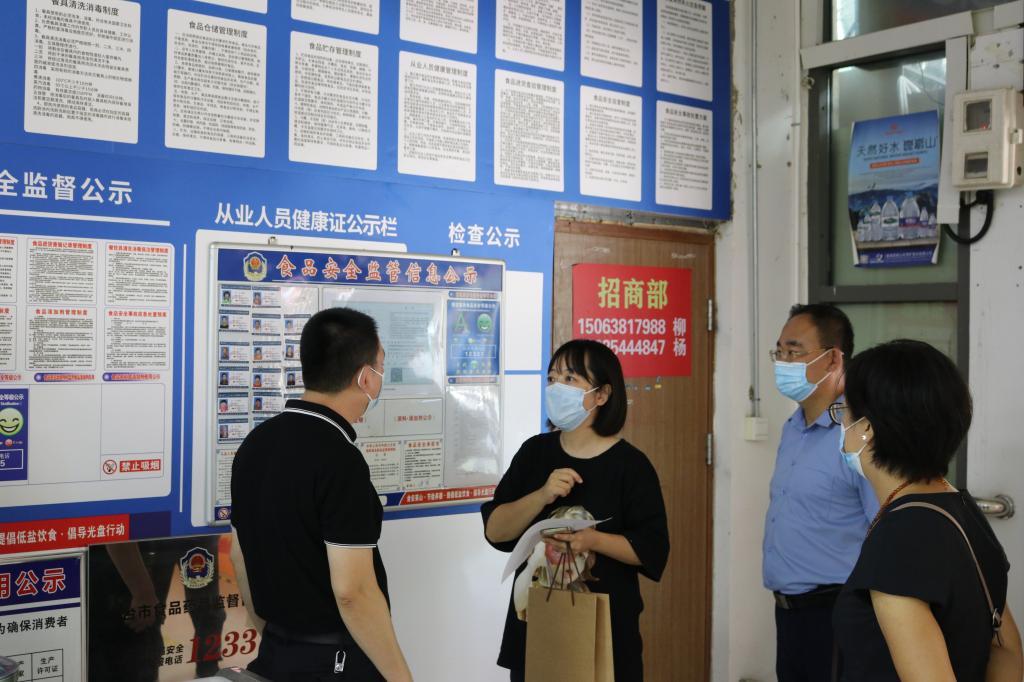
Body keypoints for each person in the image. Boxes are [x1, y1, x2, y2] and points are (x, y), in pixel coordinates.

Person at [231, 307, 411, 681]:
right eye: (380, 366)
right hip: (335, 662)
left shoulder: (257, 443)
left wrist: (276, 635)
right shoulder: (339, 459)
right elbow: (352, 592)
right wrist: (399, 676)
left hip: (276, 653)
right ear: (365, 377)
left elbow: (239, 554)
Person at [832, 339, 1022, 680]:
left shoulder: (900, 537)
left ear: (866, 429)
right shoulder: (960, 508)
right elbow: (1005, 649)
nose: (841, 422)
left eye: (843, 411)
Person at [482, 339, 669, 681]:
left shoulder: (631, 466)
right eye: (552, 378)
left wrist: (593, 541)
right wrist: (542, 495)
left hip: (606, 634)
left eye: (570, 379)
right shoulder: (534, 453)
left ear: (602, 394)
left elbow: (653, 549)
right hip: (536, 626)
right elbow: (495, 530)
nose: (556, 387)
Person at [764, 303, 878, 682]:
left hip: (836, 612)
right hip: (788, 613)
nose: (783, 362)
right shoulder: (793, 428)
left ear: (833, 359)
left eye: (794, 351)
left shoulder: (858, 435)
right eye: (779, 351)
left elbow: (884, 528)